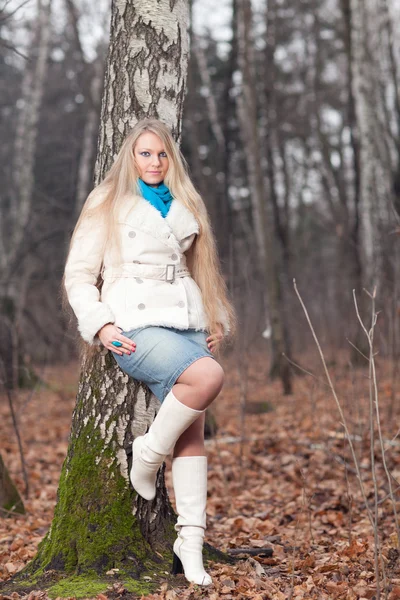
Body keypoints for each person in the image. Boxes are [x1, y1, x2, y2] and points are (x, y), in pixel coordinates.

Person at [63, 118, 236, 587]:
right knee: (208, 379)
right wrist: (100, 325)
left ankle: (190, 541)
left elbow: (201, 270)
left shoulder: (186, 203)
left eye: (161, 154)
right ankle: (147, 454)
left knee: (193, 436)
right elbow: (79, 274)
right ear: (130, 157)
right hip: (135, 324)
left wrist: (214, 317)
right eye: (145, 153)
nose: (154, 162)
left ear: (171, 158)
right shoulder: (107, 201)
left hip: (188, 321)